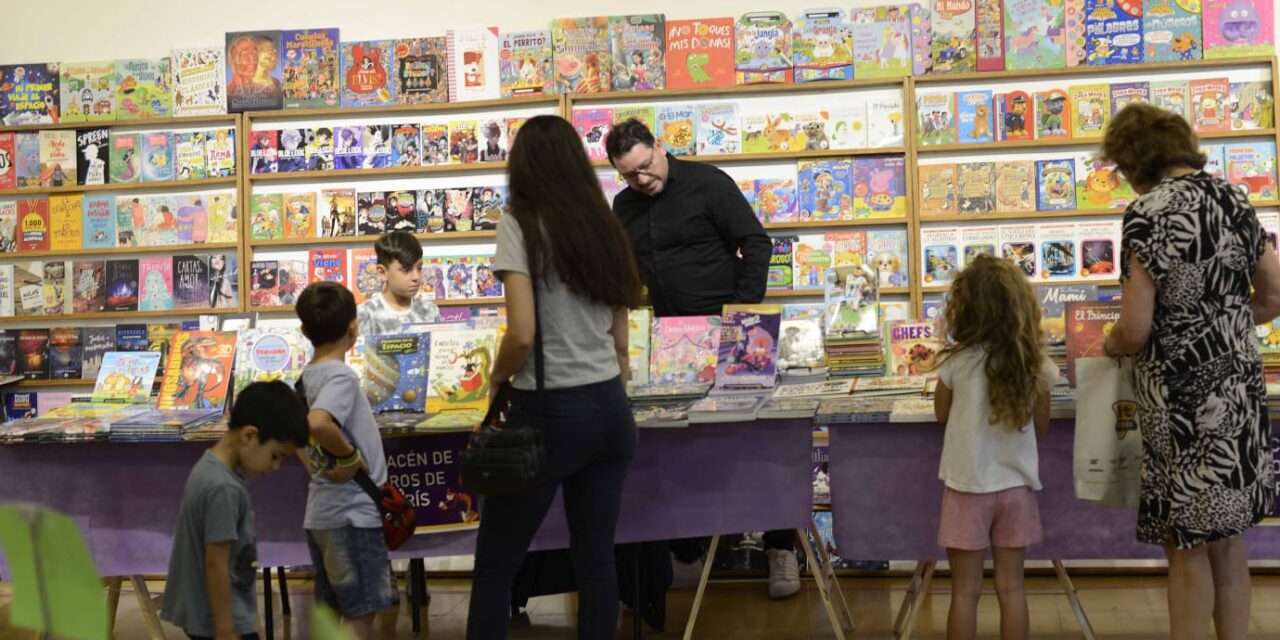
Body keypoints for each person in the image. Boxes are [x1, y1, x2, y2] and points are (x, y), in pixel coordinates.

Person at [1101, 103, 1280, 640]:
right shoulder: (1235, 199)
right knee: (1229, 542)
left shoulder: (1147, 215)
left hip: (1181, 401)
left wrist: (1107, 345)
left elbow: (1135, 328)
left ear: (1134, 161)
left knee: (1186, 546)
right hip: (1240, 391)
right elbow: (1273, 293)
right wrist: (1224, 320)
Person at [466, 114, 642, 639]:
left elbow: (521, 334)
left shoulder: (518, 223)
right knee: (596, 559)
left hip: (548, 410)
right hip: (609, 406)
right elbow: (620, 337)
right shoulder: (603, 223)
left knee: (497, 562)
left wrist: (497, 380)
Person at [605, 118, 797, 599]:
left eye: (646, 167)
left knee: (759, 445)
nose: (642, 180)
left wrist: (743, 316)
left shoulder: (710, 183)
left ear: (660, 149)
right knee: (679, 449)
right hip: (667, 346)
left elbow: (756, 243)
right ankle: (687, 550)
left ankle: (781, 549)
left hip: (730, 336)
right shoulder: (623, 206)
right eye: (630, 175)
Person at [933, 255, 1057, 640]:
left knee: (964, 593)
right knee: (1012, 589)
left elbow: (941, 415)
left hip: (966, 488)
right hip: (1016, 490)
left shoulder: (955, 361)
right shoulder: (1033, 362)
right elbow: (1042, 424)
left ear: (963, 308)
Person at [160, 381, 310, 640]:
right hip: (219, 619)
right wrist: (225, 629)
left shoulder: (211, 468)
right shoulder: (223, 488)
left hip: (216, 613)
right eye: (276, 456)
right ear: (249, 436)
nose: (275, 467)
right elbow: (215, 563)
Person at [295, 281, 399, 640]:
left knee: (338, 610)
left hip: (323, 512)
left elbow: (296, 432)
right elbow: (317, 423)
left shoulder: (306, 378)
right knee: (361, 612)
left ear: (305, 331)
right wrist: (351, 456)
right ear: (353, 327)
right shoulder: (340, 375)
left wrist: (319, 466)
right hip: (352, 515)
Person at [357, 230, 443, 336]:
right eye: (406, 270)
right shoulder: (365, 315)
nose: (416, 277)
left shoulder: (430, 311)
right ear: (382, 272)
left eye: (419, 268)